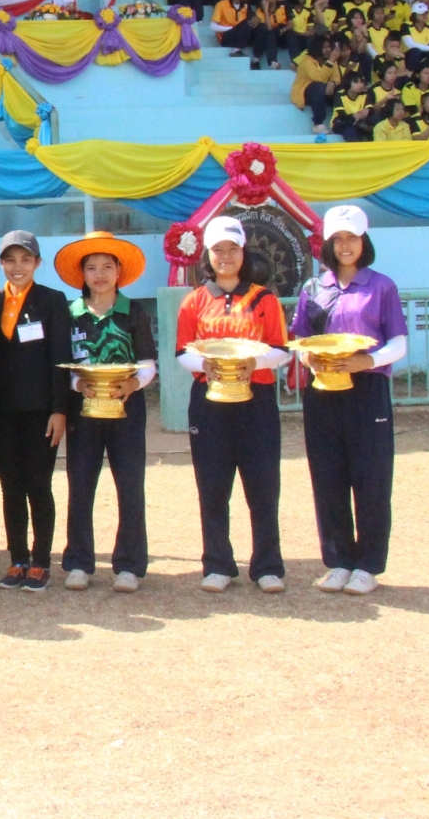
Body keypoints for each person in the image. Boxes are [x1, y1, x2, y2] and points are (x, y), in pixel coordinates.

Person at [292, 205, 408, 596]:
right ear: (327, 244)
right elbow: (301, 341)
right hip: (322, 392)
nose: (345, 246)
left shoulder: (382, 287)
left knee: (371, 477)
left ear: (364, 241)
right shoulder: (313, 289)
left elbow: (398, 343)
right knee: (328, 477)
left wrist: (367, 361)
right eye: (338, 239)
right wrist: (308, 358)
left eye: (352, 238)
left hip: (367, 390)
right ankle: (339, 561)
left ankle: (368, 566)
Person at [174, 215, 291, 593]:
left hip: (256, 400)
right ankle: (217, 564)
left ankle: (268, 566)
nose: (225, 256)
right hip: (209, 402)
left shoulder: (264, 299)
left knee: (263, 484)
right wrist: (207, 365)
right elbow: (182, 352)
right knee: (212, 485)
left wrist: (251, 363)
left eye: (233, 249)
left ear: (244, 252)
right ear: (207, 255)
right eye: (218, 250)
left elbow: (281, 350)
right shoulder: (194, 301)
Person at [54, 232, 157, 593]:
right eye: (92, 268)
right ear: (82, 274)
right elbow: (61, 364)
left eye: (107, 267)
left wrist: (133, 384)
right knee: (80, 484)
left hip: (127, 410)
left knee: (130, 485)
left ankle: (129, 565)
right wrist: (76, 385)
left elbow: (148, 364)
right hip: (83, 412)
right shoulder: (70, 314)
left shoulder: (134, 312)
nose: (99, 274)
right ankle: (79, 562)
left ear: (119, 272)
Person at [0, 230, 74, 591]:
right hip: (1, 414)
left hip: (40, 412)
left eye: (25, 259)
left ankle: (40, 561)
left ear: (37, 262)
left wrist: (60, 409)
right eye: (9, 259)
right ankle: (17, 559)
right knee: (10, 487)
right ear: (1, 263)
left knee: (38, 484)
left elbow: (61, 358)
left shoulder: (52, 301)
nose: (17, 266)